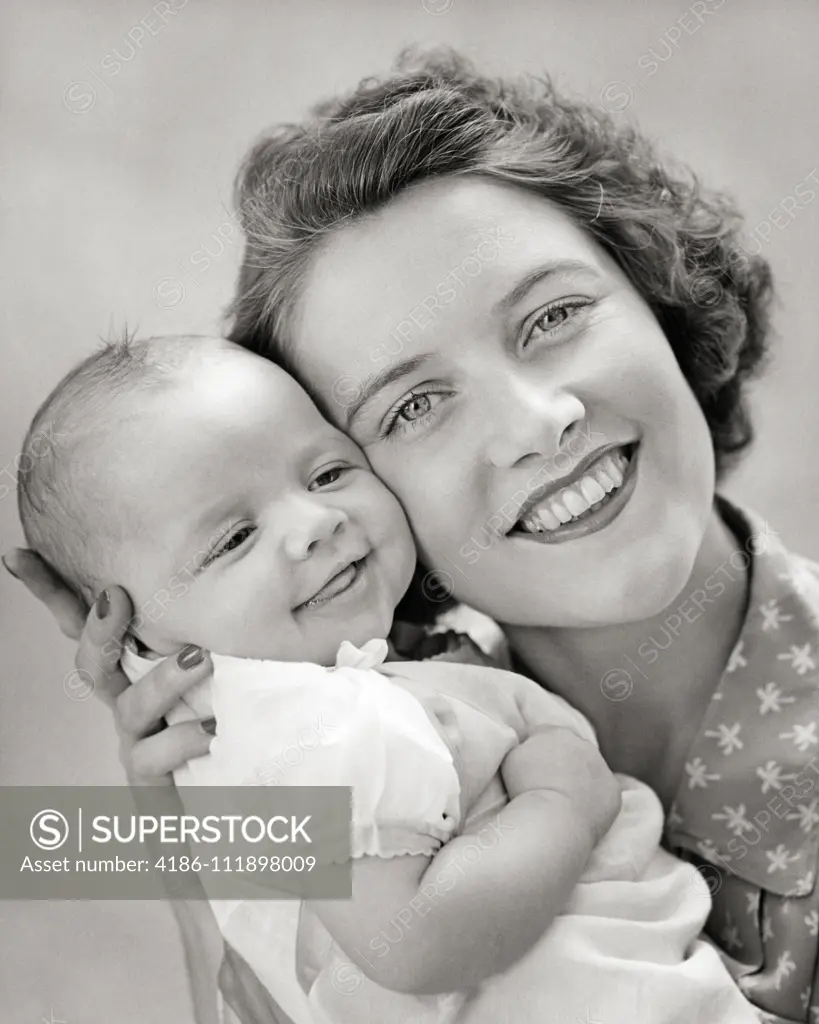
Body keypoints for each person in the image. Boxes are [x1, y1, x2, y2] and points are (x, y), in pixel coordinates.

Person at [6, 49, 819, 1022]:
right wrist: (205, 848)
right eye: (415, 405)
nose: (535, 422)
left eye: (555, 314)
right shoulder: (368, 752)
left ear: (663, 303)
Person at [13, 332, 755, 1023]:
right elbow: (414, 942)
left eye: (330, 472)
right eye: (234, 538)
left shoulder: (357, 692)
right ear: (134, 633)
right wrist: (560, 802)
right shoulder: (312, 730)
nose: (315, 521)